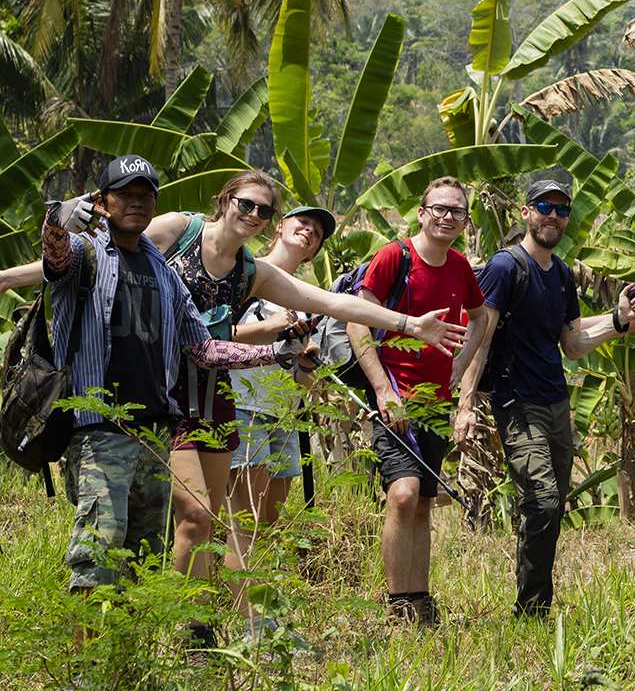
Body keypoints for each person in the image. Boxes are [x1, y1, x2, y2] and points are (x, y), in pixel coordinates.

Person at [9, 169, 467, 645]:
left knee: (211, 526)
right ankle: (184, 633)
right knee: (184, 521)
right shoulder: (176, 233)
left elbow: (331, 304)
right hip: (155, 401)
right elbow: (83, 256)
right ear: (224, 201)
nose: (253, 214)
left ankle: (202, 632)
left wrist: (408, 324)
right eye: (245, 203)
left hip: (210, 398)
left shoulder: (246, 271)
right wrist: (11, 274)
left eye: (263, 210)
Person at [40, 156, 295, 602]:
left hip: (155, 433)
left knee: (142, 563)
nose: (136, 202)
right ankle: (87, 652)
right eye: (125, 194)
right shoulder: (86, 253)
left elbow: (203, 348)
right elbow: (55, 253)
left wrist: (274, 353)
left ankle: (133, 649)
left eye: (145, 195)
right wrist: (57, 220)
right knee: (98, 557)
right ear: (103, 200)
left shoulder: (164, 271)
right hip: (99, 429)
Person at [453, 179, 635, 618]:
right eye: (544, 206)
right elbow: (481, 337)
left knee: (550, 505)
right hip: (517, 402)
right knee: (542, 500)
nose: (553, 216)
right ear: (526, 212)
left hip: (557, 403)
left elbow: (573, 344)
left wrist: (619, 321)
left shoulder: (561, 274)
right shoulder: (506, 267)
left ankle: (534, 599)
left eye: (562, 209)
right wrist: (465, 407)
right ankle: (532, 608)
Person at [347, 177, 490, 627]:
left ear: (465, 220)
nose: (448, 217)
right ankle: (397, 604)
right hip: (395, 396)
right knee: (403, 494)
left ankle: (419, 601)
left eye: (457, 211)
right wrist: (382, 389)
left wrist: (460, 362)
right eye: (440, 208)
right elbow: (356, 321)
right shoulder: (396, 256)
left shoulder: (460, 266)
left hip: (436, 402)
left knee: (425, 500)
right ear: (422, 212)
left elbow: (481, 317)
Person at [224, 205, 337, 644]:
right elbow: (211, 335)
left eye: (318, 232)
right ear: (279, 227)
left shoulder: (310, 299)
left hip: (285, 416)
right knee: (246, 520)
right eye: (302, 222)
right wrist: (270, 328)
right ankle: (253, 628)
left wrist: (306, 361)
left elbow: (306, 382)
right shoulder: (244, 274)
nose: (309, 230)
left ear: (315, 252)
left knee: (271, 521)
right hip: (242, 405)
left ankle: (268, 617)